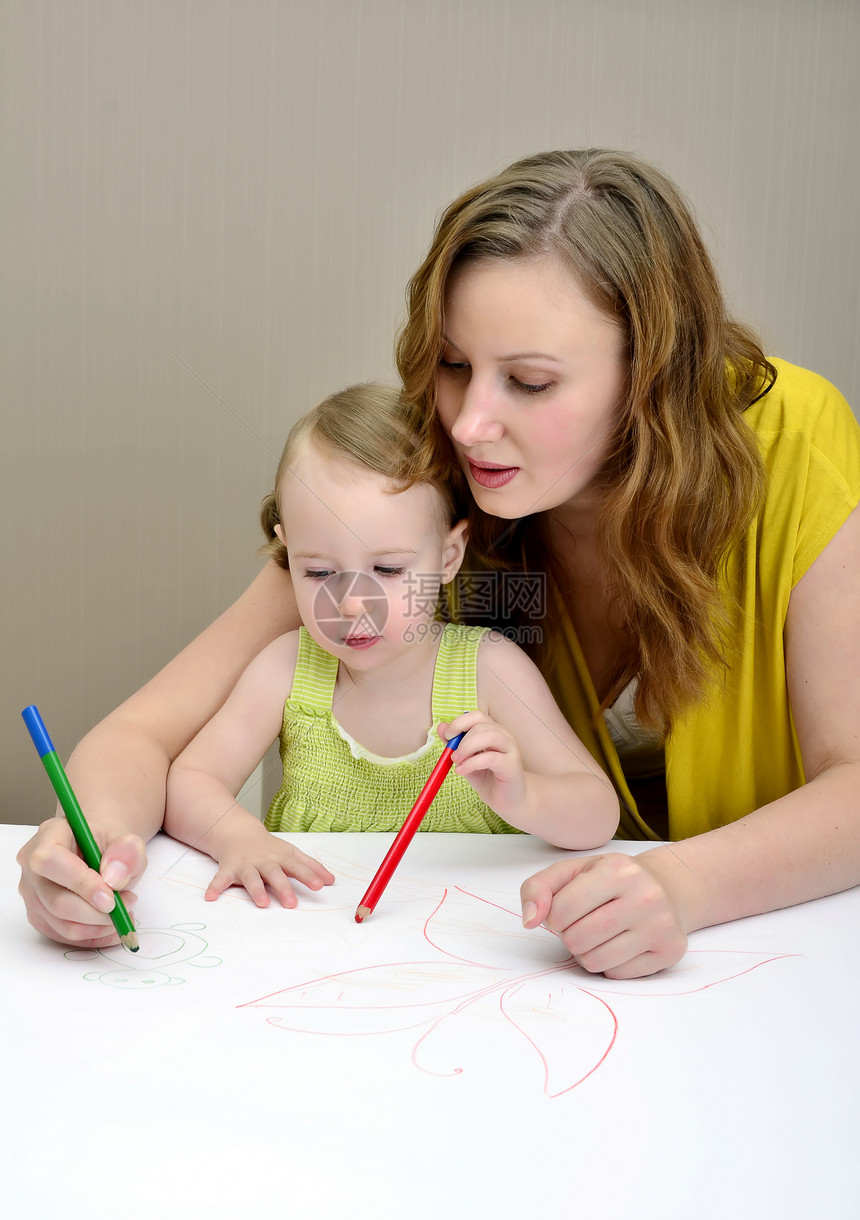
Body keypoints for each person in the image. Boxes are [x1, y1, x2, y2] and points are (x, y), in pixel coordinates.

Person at [18, 149, 860, 980]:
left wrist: (679, 883)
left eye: (529, 381)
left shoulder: (793, 446)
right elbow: (143, 732)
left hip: (755, 958)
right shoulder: (421, 481)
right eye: (455, 365)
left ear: (651, 378)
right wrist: (91, 851)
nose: (468, 424)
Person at [161, 383, 617, 905]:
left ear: (448, 557)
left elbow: (599, 813)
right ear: (288, 552)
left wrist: (525, 795)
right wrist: (235, 837)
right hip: (316, 938)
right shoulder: (286, 668)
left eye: (387, 569)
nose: (352, 603)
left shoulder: (489, 669)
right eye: (319, 571)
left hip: (466, 941)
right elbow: (190, 780)